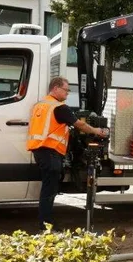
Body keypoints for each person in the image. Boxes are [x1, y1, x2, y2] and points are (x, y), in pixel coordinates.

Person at [27, 77, 107, 228]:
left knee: (48, 188)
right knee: (49, 190)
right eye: (66, 90)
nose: (67, 94)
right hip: (50, 151)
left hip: (40, 150)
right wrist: (97, 131)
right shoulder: (59, 107)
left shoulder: (40, 105)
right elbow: (80, 124)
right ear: (56, 88)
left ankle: (46, 222)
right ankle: (45, 225)